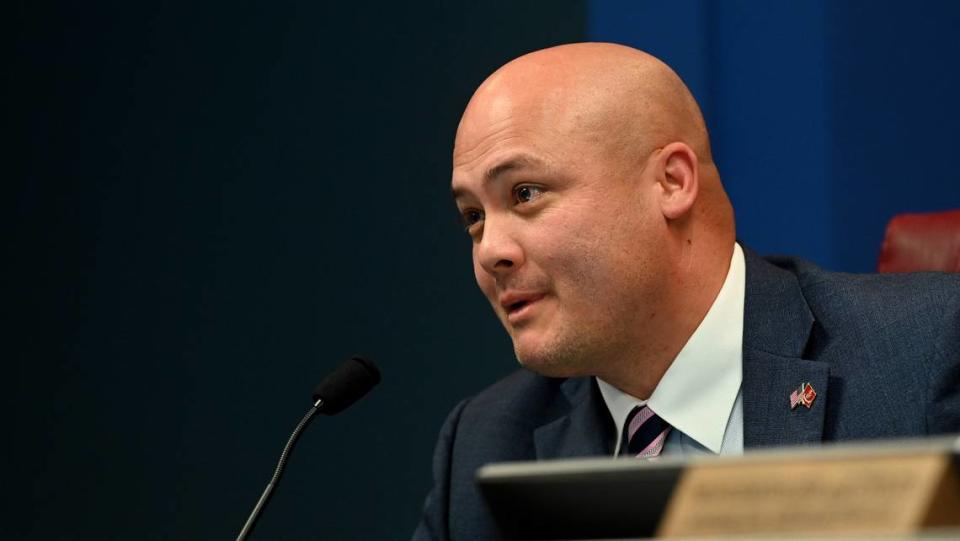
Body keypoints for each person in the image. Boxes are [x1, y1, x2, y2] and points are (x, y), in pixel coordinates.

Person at [413, 43, 960, 541]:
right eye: (473, 217)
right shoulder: (487, 443)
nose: (489, 251)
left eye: (525, 193)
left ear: (671, 182)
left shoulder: (927, 354)